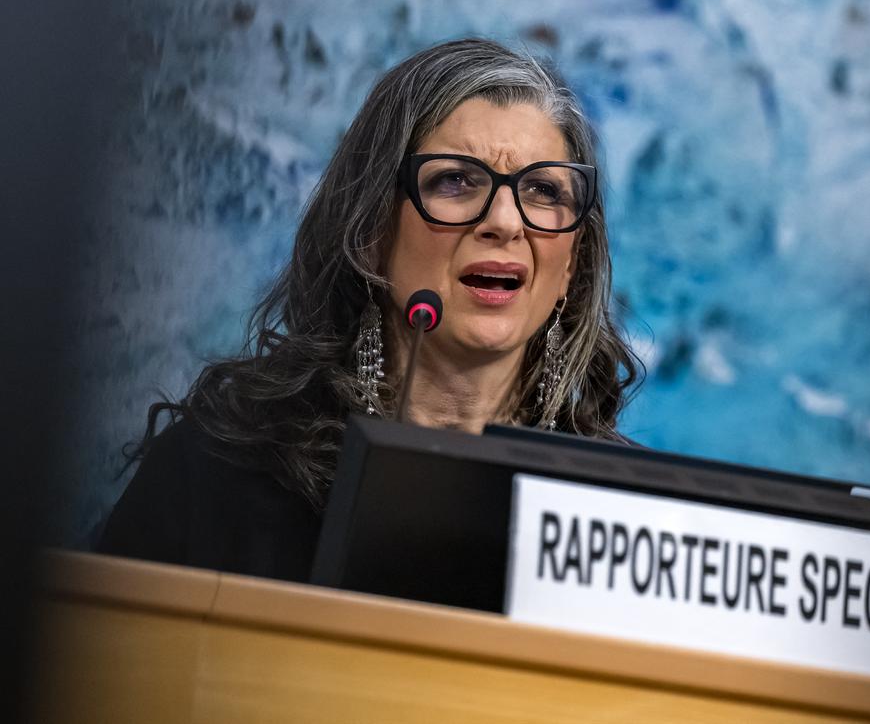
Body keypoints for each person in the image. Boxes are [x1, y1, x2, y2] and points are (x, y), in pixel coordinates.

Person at [97, 38, 642, 581]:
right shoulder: (218, 471)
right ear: (370, 230)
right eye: (455, 181)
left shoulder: (625, 520)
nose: (504, 221)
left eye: (544, 190)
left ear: (572, 262)